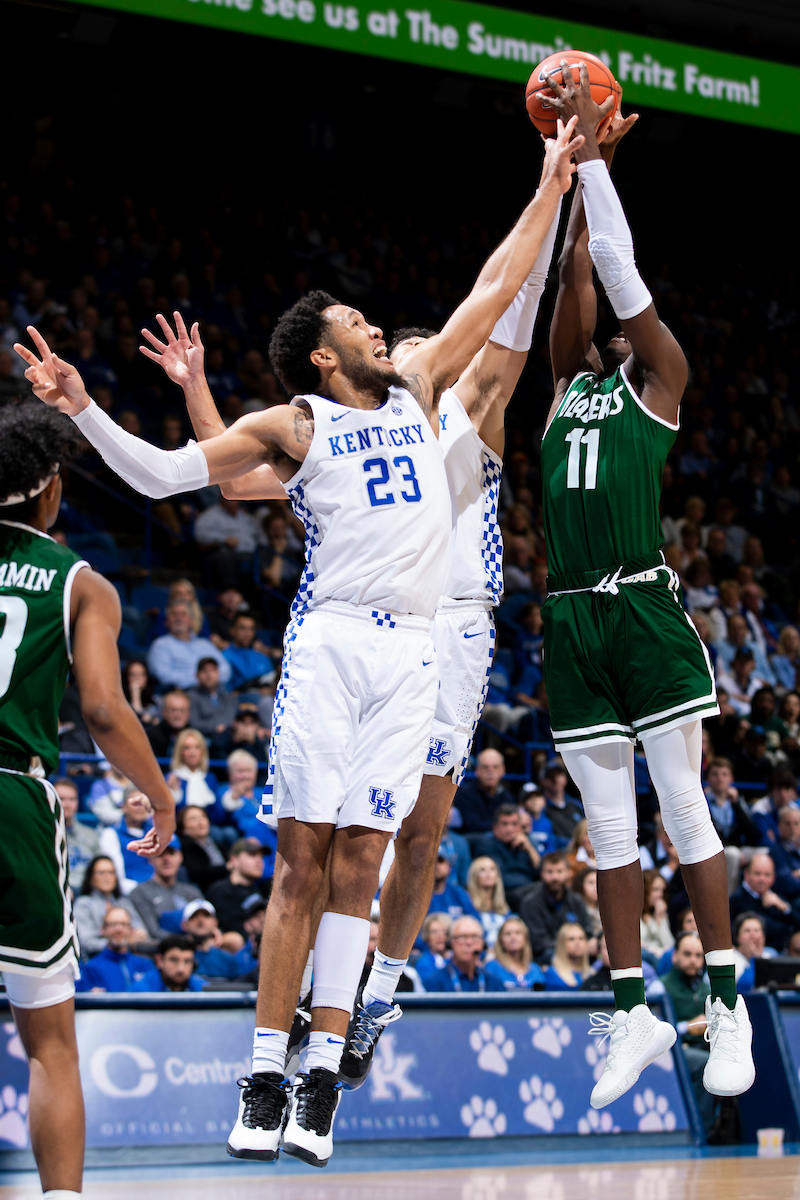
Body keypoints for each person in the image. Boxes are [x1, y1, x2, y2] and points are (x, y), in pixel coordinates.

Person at [19, 119, 583, 1166]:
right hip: (329, 647)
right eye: (358, 323)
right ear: (324, 354)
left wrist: (549, 187)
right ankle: (264, 1070)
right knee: (300, 861)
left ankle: (321, 1079)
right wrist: (88, 410)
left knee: (362, 863)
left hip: (415, 653)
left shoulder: (421, 396)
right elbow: (165, 478)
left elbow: (492, 290)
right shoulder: (296, 425)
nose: (380, 330)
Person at [538, 65, 753, 1107]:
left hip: (639, 603)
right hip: (568, 617)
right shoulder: (559, 387)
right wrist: (572, 175)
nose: (602, 321)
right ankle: (630, 1010)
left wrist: (596, 162)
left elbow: (615, 268)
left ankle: (724, 1000)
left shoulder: (658, 383)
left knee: (680, 807)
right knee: (608, 834)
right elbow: (577, 276)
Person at [0, 401, 174, 1198]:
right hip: (13, 801)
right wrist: (159, 795)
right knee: (49, 1041)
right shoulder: (79, 582)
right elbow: (103, 710)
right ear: (50, 491)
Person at [659, 931, 714, 1132]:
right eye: (687, 954)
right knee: (704, 1062)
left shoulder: (706, 988)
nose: (693, 960)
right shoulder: (661, 987)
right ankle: (702, 1131)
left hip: (705, 1045)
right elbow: (653, 1031)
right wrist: (689, 1026)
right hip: (673, 1050)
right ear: (675, 956)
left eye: (699, 956)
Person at [518, 851, 595, 964]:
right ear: (541, 874)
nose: (555, 877)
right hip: (545, 959)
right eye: (549, 872)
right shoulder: (531, 903)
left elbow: (588, 932)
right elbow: (538, 943)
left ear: (569, 873)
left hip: (578, 955)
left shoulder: (576, 901)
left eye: (559, 871)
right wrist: (570, 947)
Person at [73, 856, 148, 958]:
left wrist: (138, 936)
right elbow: (88, 943)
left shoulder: (124, 902)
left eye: (111, 872)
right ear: (91, 877)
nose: (107, 877)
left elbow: (141, 931)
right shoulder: (83, 904)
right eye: (101, 873)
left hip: (130, 957)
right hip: (97, 961)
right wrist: (124, 942)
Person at [128, 837, 203, 939]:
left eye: (171, 853)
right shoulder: (140, 892)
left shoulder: (192, 892)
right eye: (160, 854)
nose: (166, 859)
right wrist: (189, 941)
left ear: (180, 857)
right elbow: (153, 931)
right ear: (151, 859)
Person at [147, 601, 232, 691]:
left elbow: (226, 668)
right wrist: (201, 678)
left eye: (183, 614)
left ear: (191, 621)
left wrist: (206, 678)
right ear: (166, 622)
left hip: (214, 693)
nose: (179, 618)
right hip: (183, 695)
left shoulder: (205, 644)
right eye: (174, 614)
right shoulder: (160, 645)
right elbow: (163, 676)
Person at [729, 852, 800, 949]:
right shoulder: (737, 900)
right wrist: (788, 928)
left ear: (773, 877)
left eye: (767, 875)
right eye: (757, 874)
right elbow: (769, 930)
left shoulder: (776, 895)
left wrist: (783, 907)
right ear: (746, 874)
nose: (762, 879)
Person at [474, 803, 541, 905]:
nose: (510, 829)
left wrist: (530, 849)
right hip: (504, 895)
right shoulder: (487, 845)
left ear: (519, 826)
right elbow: (502, 879)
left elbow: (540, 872)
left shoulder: (527, 842)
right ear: (495, 827)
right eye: (505, 824)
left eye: (514, 824)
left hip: (529, 892)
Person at [206, 837, 272, 937]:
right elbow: (234, 931)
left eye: (261, 856)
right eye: (252, 855)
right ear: (234, 860)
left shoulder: (262, 889)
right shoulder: (220, 891)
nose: (259, 861)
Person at [76, 907, 152, 992]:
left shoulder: (146, 965)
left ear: (131, 930)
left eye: (124, 924)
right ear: (103, 930)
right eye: (113, 925)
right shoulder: (91, 968)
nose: (119, 929)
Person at [420, 916, 505, 993]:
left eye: (475, 936)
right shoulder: (434, 984)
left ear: (482, 943)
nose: (469, 942)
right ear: (451, 942)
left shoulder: (495, 983)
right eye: (462, 937)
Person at [97, 788, 156, 894]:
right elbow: (116, 876)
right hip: (131, 891)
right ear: (123, 807)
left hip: (159, 887)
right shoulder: (111, 834)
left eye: (143, 803)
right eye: (134, 803)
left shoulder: (155, 831)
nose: (139, 808)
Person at [453, 749, 518, 835]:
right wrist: (501, 826)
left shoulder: (507, 796)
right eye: (485, 767)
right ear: (477, 770)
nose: (490, 771)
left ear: (502, 770)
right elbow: (473, 826)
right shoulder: (465, 794)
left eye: (495, 767)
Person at [54, 776, 100, 890]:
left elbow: (99, 866)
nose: (67, 804)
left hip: (87, 892)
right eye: (62, 799)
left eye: (72, 799)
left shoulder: (91, 834)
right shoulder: (44, 834)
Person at [166, 727, 223, 817]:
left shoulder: (210, 778)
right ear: (180, 751)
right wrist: (174, 793)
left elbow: (219, 815)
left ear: (202, 751)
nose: (192, 752)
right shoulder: (171, 778)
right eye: (187, 748)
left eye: (197, 747)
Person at [181, 900, 243, 979]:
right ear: (184, 925)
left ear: (215, 922)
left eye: (206, 916)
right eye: (194, 916)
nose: (201, 920)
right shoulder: (177, 958)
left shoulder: (227, 959)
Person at [177, 804, 229, 892]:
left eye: (203, 816)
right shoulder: (184, 848)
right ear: (184, 829)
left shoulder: (218, 844)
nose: (200, 822)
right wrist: (227, 868)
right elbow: (198, 875)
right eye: (193, 819)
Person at [485, 916, 545, 991]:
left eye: (518, 933)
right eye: (508, 934)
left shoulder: (535, 969)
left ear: (525, 939)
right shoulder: (492, 967)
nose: (513, 937)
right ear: (501, 941)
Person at [132, 935, 206, 993]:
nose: (181, 968)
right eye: (174, 960)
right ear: (159, 961)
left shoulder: (202, 988)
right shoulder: (140, 992)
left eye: (187, 961)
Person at [427, 845, 480, 924]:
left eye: (440, 860)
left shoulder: (459, 893)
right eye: (431, 861)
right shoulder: (416, 897)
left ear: (449, 867)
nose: (436, 865)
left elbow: (476, 922)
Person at [187, 656, 239, 737]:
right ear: (197, 675)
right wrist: (215, 727)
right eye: (204, 671)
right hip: (207, 738)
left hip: (231, 736)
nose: (209, 674)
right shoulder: (192, 697)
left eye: (212, 670)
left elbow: (237, 716)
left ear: (218, 673)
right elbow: (194, 722)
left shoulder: (228, 696)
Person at [223, 612, 275, 691]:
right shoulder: (224, 657)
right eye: (242, 628)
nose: (247, 633)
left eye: (251, 629)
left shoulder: (262, 657)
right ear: (232, 630)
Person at [465, 857, 511, 947]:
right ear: (474, 876)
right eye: (482, 870)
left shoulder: (504, 907)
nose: (488, 874)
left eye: (492, 869)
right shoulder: (468, 903)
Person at [146, 688, 193, 759]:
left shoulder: (195, 736)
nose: (178, 715)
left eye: (182, 710)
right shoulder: (150, 737)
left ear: (188, 713)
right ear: (164, 712)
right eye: (173, 710)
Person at [640, 869, 675, 960]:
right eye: (655, 889)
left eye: (662, 890)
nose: (660, 895)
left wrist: (659, 918)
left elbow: (669, 945)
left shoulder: (660, 914)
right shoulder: (634, 914)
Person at [769, 805, 800, 899]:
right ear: (779, 827)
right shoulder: (776, 852)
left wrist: (796, 874)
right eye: (787, 823)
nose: (792, 828)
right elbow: (788, 885)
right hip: (790, 901)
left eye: (796, 823)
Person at [413, 913, 452, 984]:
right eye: (434, 932)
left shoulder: (457, 958)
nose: (440, 936)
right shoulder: (424, 963)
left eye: (443, 931)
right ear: (427, 936)